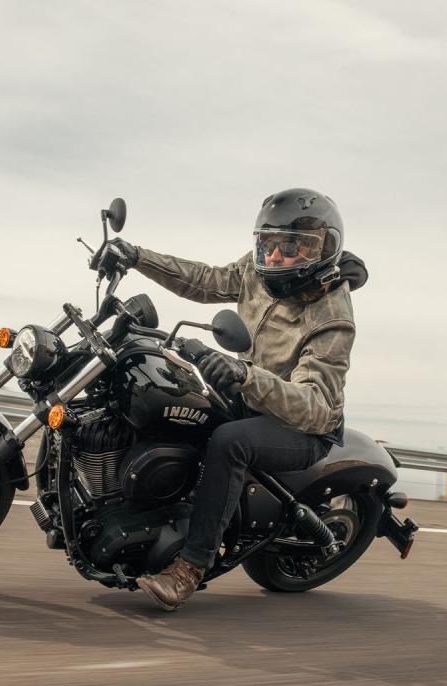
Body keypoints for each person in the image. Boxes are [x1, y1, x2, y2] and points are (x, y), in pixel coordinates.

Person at [107, 188, 368, 611]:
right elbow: (205, 280)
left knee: (230, 441)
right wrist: (135, 256)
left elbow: (314, 404)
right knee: (171, 396)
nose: (277, 256)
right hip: (250, 393)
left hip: (302, 427)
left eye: (293, 247)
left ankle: (190, 566)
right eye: (269, 244)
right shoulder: (258, 271)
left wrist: (246, 374)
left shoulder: (331, 317)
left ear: (323, 250)